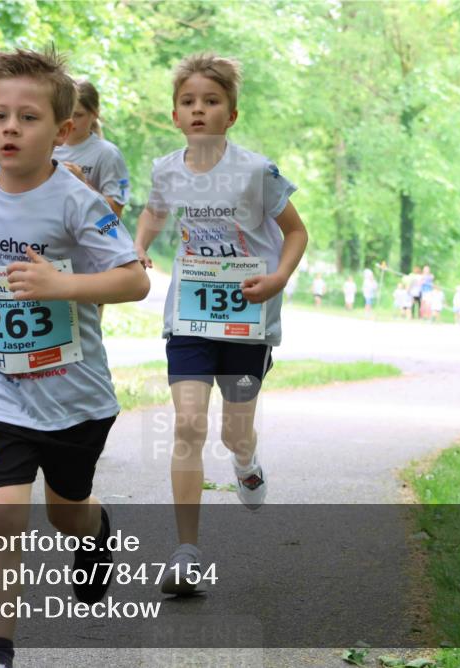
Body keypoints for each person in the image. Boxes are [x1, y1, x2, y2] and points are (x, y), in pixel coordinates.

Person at [0, 48, 149, 668]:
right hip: (2, 392)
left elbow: (134, 280)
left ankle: (95, 532)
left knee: (65, 512)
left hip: (75, 397)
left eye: (28, 117)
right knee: (3, 516)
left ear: (62, 131)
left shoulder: (77, 199)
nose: (9, 129)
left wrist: (61, 285)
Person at [132, 53, 308, 595]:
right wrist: (138, 246)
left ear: (231, 115)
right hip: (190, 315)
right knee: (188, 425)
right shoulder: (167, 169)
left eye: (211, 101)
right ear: (175, 115)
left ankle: (246, 460)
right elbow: (154, 211)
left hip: (247, 320)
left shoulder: (256, 171)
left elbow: (296, 232)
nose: (199, 109)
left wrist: (278, 278)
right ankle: (186, 551)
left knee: (233, 431)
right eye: (188, 102)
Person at [52, 80, 130, 219]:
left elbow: (116, 213)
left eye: (77, 115)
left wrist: (82, 184)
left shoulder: (108, 154)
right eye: (66, 113)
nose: (70, 121)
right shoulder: (45, 148)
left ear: (94, 114)